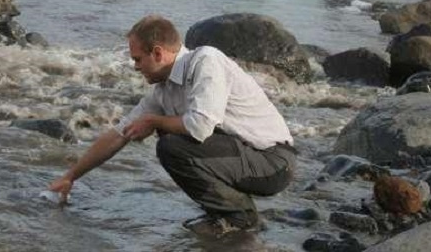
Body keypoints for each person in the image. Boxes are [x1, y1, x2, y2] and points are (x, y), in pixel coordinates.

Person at [48, 15, 296, 237]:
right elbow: (119, 135)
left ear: (157, 53)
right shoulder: (163, 91)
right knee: (171, 136)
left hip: (274, 163)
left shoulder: (206, 61)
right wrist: (70, 176)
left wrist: (154, 121)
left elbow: (200, 126)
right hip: (245, 157)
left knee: (171, 144)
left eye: (137, 59)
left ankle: (239, 218)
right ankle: (227, 213)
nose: (135, 67)